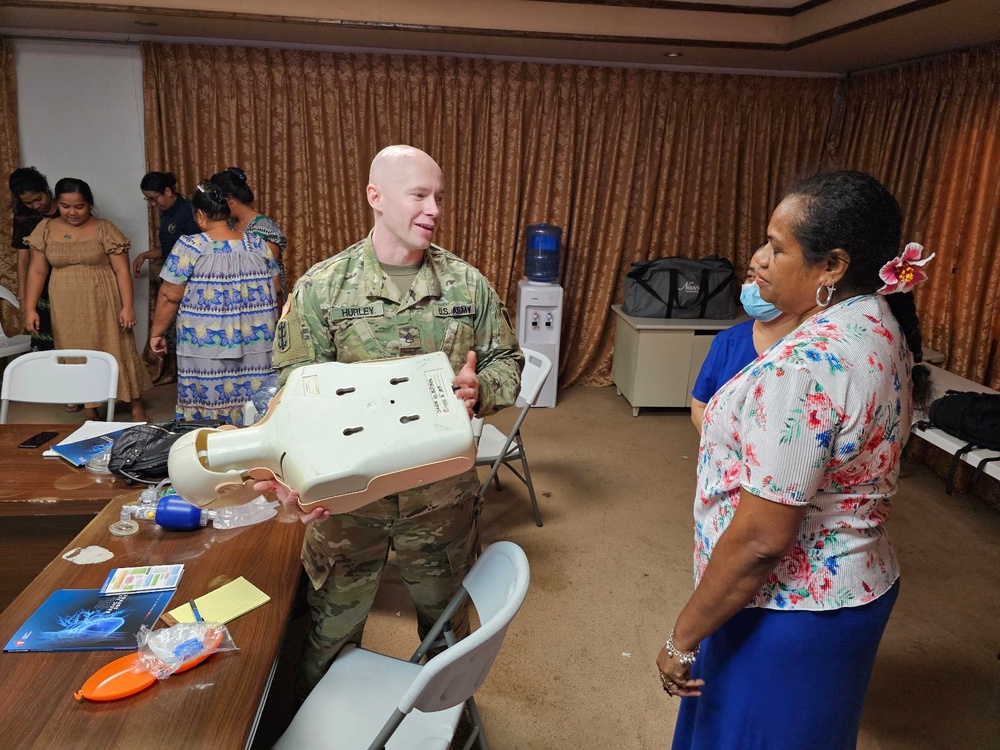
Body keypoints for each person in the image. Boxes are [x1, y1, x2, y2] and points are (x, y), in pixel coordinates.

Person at [657, 170, 933, 750]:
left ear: (831, 265)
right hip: (856, 589)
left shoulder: (802, 368)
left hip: (785, 610)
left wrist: (683, 636)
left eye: (777, 247)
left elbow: (761, 541)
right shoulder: (879, 325)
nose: (758, 259)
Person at [259, 144, 523, 699]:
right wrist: (290, 476)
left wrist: (483, 389)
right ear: (376, 197)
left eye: (439, 197)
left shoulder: (466, 285)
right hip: (351, 499)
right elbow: (292, 392)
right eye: (420, 195)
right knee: (329, 632)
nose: (434, 210)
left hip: (441, 499)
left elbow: (507, 362)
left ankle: (439, 725)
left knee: (448, 632)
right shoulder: (324, 288)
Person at [149, 181, 280, 425]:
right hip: (256, 342)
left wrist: (156, 333)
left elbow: (169, 295)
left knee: (209, 405)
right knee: (255, 402)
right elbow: (277, 287)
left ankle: (210, 446)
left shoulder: (190, 246)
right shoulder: (258, 244)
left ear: (200, 215)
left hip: (206, 345)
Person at [23, 178, 150, 421]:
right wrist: (29, 308)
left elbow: (122, 270)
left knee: (117, 348)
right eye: (65, 206)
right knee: (75, 353)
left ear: (89, 204)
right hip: (64, 304)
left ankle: (135, 404)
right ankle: (91, 410)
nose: (72, 212)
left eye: (79, 206)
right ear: (57, 203)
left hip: (104, 301)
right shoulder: (45, 229)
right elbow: (37, 271)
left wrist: (127, 306)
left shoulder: (105, 228)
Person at [689, 250, 799, 431]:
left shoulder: (810, 348)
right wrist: (723, 451)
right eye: (750, 276)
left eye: (765, 277)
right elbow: (700, 406)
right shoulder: (727, 343)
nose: (755, 285)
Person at [134, 171, 201, 386]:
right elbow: (168, 249)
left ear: (168, 191)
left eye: (154, 198)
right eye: (148, 200)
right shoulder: (166, 214)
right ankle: (179, 377)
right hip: (173, 279)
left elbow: (197, 249)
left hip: (190, 283)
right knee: (173, 335)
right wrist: (145, 255)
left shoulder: (188, 212)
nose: (153, 204)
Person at [209, 167, 288, 304]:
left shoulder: (264, 228)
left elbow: (269, 275)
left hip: (263, 304)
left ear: (230, 199)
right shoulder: (231, 224)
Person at [8, 167, 59, 354]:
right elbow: (23, 260)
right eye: (28, 203)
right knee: (44, 335)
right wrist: (23, 298)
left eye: (38, 199)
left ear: (46, 189)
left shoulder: (66, 210)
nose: (36, 206)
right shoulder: (24, 217)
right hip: (40, 284)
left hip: (67, 280)